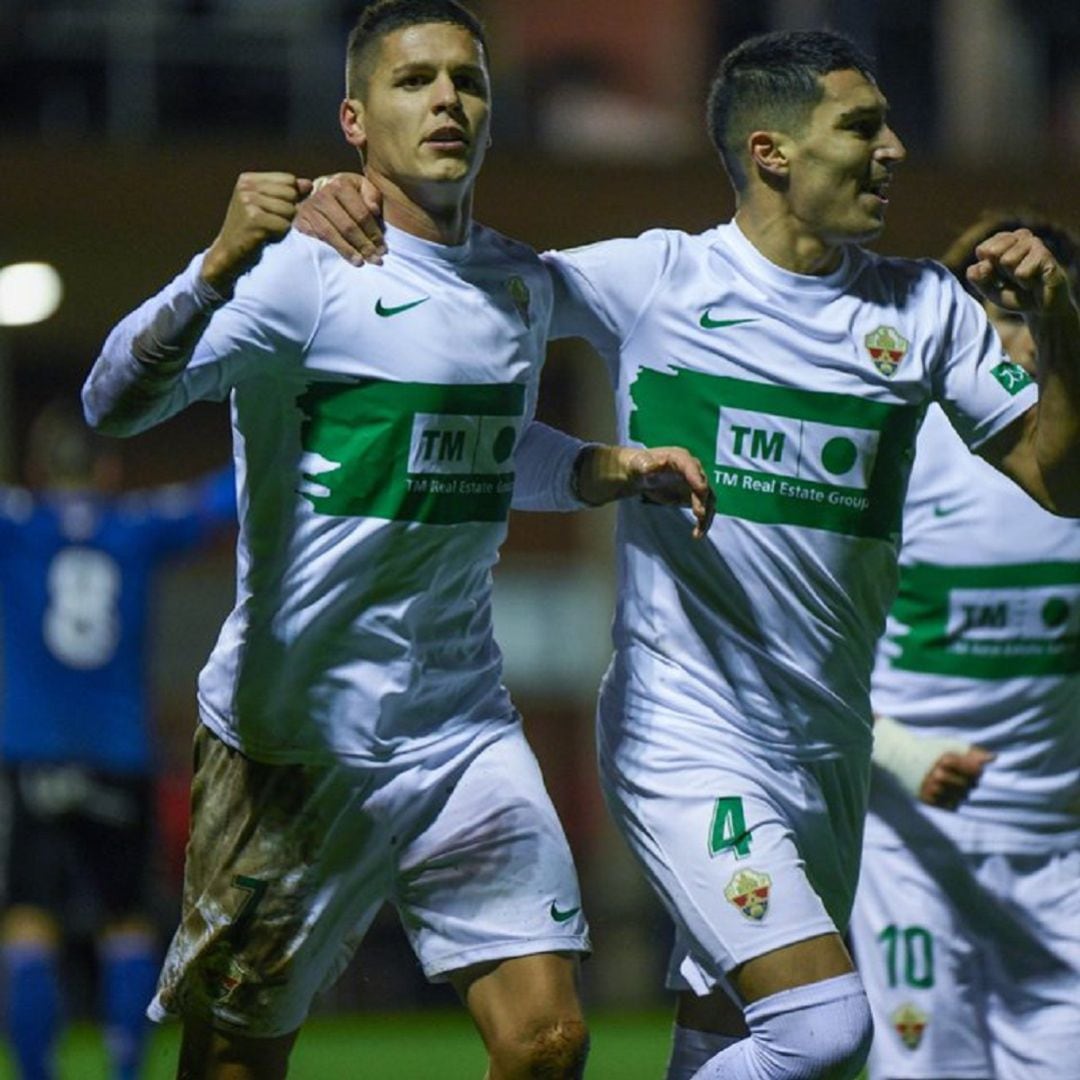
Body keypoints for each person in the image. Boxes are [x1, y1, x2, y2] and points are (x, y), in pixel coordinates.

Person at [297, 27, 1080, 1080]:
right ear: (772, 153)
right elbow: (466, 287)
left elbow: (1057, 481)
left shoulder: (924, 310)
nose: (894, 148)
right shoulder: (660, 277)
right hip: (688, 737)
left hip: (828, 746)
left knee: (729, 1040)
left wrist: (1062, 323)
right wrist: (339, 214)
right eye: (862, 126)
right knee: (824, 1031)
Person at [81, 2, 712, 1077]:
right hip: (294, 739)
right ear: (355, 121)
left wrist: (606, 468)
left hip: (456, 728)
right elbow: (111, 403)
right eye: (415, 81)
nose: (447, 101)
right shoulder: (297, 271)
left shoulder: (514, 285)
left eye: (467, 82)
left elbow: (480, 447)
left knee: (550, 1040)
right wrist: (219, 260)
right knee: (238, 1059)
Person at [848, 212, 1080, 1080]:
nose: (1012, 337)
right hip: (915, 850)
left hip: (1058, 856)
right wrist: (903, 752)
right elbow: (801, 659)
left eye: (1034, 309)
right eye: (995, 308)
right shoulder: (902, 456)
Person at [0, 399, 235, 1080]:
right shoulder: (136, 528)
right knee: (127, 917)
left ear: (39, 470)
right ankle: (126, 1069)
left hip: (30, 751)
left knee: (27, 918)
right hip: (120, 752)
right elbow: (224, 500)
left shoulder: (16, 524)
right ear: (108, 471)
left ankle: (36, 1073)